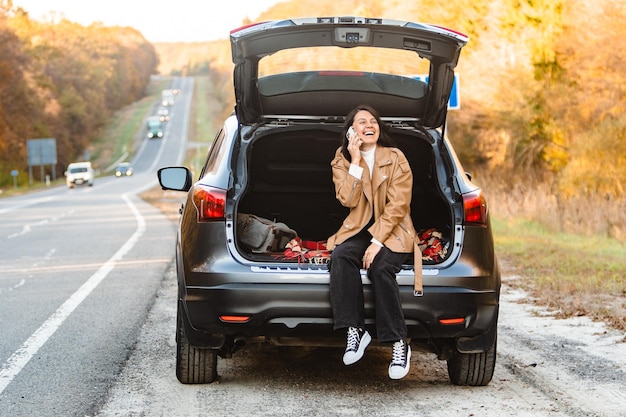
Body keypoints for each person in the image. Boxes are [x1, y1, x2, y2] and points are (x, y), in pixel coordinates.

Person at [326, 104, 421, 380]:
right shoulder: (341, 160)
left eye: (373, 121)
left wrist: (377, 241)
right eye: (361, 122)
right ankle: (355, 331)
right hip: (360, 228)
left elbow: (399, 204)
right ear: (351, 132)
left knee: (380, 268)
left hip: (395, 229)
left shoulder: (395, 157)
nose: (369, 125)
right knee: (341, 256)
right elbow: (348, 199)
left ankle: (398, 342)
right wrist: (355, 161)